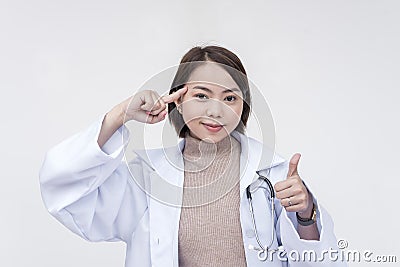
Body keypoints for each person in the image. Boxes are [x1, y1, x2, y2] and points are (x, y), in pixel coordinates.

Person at [39, 45, 346, 267]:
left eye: (230, 98)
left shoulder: (272, 173)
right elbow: (67, 192)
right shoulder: (148, 177)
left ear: (243, 107)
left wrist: (306, 212)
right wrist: (120, 114)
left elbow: (320, 262)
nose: (216, 110)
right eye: (201, 95)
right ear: (178, 98)